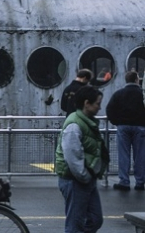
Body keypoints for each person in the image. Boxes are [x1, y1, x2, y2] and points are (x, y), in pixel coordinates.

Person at [55, 86, 108, 233]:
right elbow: (72, 156)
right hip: (76, 179)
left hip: (85, 177)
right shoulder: (74, 124)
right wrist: (84, 176)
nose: (99, 107)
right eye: (97, 103)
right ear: (87, 103)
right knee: (75, 224)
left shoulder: (85, 121)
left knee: (95, 219)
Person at [105, 70, 145, 191]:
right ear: (136, 80)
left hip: (123, 127)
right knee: (140, 156)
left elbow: (109, 109)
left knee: (123, 155)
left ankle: (124, 181)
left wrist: (116, 122)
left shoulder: (119, 93)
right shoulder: (141, 94)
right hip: (140, 127)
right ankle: (140, 182)